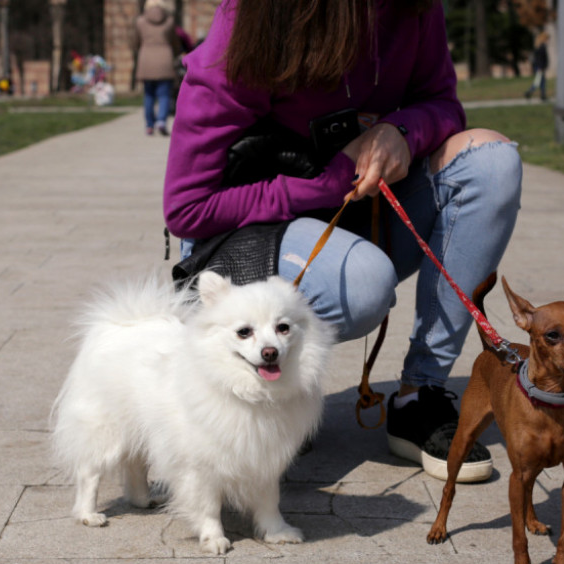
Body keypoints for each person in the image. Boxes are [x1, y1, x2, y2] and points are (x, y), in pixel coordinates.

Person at [163, 0, 522, 483]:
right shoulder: (251, 18)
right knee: (364, 282)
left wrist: (401, 132)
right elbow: (188, 207)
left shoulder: (415, 8)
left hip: (362, 216)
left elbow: (441, 102)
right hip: (248, 236)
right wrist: (331, 180)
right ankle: (263, 392)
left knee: (491, 164)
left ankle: (422, 395)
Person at [134, 0, 183, 135]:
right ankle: (161, 121)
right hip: (165, 60)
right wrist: (176, 53)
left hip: (146, 60)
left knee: (148, 95)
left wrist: (141, 50)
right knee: (164, 95)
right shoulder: (169, 21)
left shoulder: (140, 22)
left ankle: (149, 125)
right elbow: (175, 42)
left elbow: (136, 41)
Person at [524, 32, 549, 101]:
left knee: (541, 81)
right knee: (539, 82)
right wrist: (540, 67)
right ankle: (529, 92)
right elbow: (540, 59)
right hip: (539, 67)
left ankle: (542, 95)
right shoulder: (541, 47)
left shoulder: (539, 47)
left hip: (539, 67)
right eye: (547, 39)